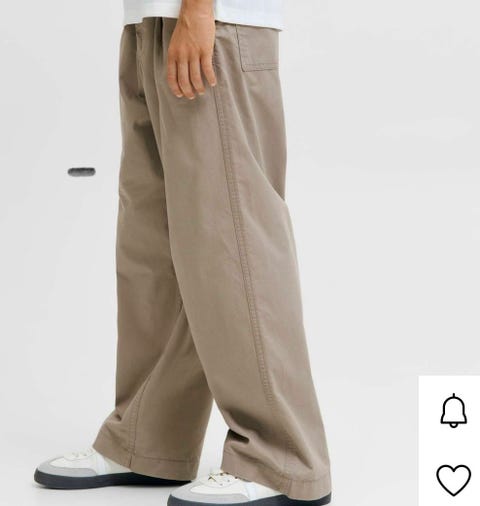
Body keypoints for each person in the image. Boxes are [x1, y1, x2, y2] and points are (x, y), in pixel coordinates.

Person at [33, 0, 332, 504]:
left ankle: (281, 460)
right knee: (155, 249)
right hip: (149, 20)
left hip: (216, 22)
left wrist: (198, 10)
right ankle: (148, 442)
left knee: (233, 243)